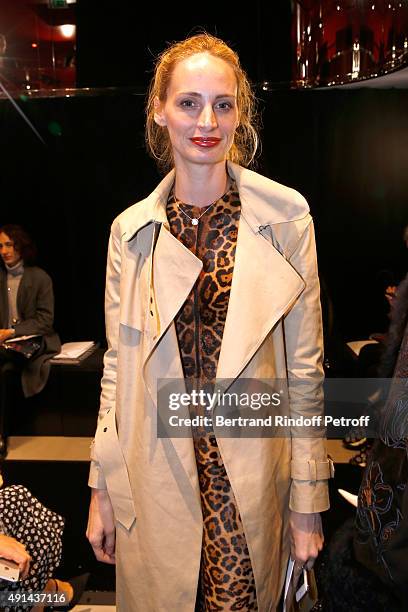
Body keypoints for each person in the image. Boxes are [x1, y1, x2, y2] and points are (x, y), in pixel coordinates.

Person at [86, 33, 332, 611]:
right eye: (189, 102)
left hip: (247, 482)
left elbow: (305, 371)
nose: (206, 121)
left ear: (239, 113)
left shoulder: (286, 218)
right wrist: (101, 486)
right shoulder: (131, 231)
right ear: (159, 109)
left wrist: (308, 498)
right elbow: (118, 369)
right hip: (154, 480)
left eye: (222, 104)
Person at [0, 225, 61, 452]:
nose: (5, 250)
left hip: (33, 341)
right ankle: (2, 436)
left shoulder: (39, 277)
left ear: (20, 246)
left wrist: (12, 333)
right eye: (1, 245)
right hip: (4, 346)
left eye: (9, 244)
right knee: (5, 370)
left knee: (6, 360)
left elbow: (45, 321)